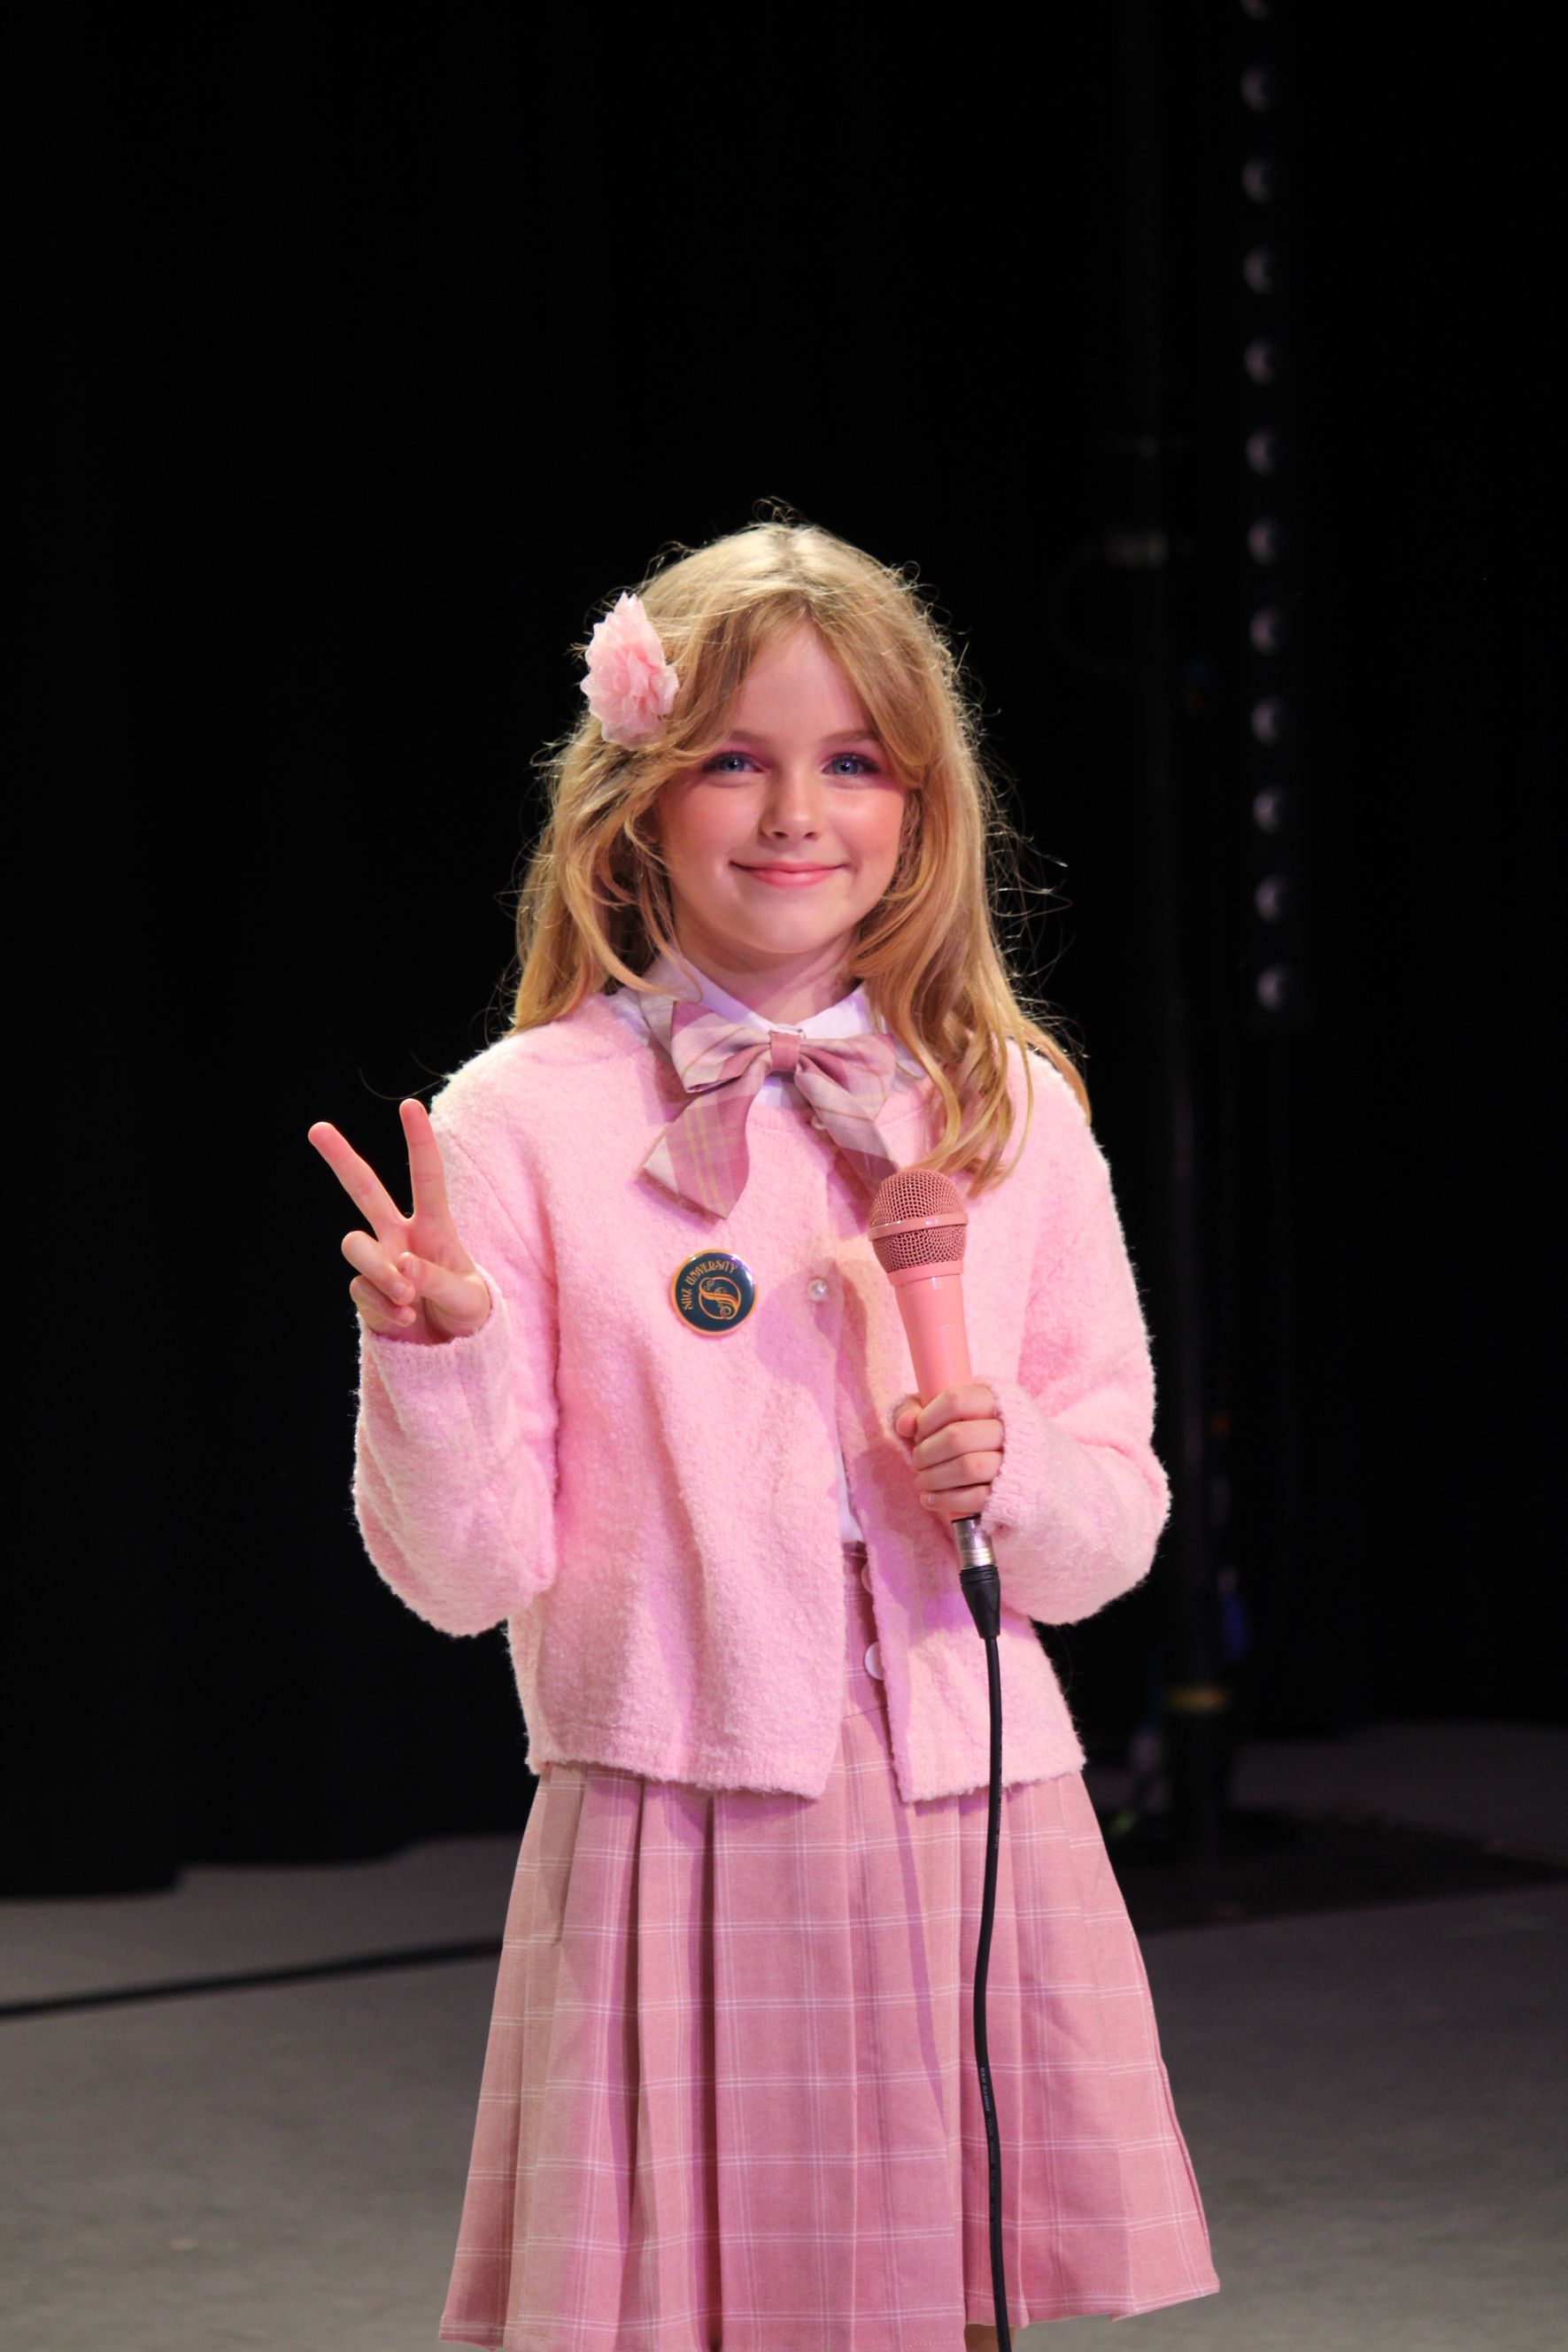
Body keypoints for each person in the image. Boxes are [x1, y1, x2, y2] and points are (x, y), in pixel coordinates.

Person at [308, 514, 1220, 2348]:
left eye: (851, 763)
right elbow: (466, 1570)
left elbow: (1111, 1520)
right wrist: (433, 1359)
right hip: (678, 1809)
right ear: (642, 803)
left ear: (918, 806)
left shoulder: (1008, 1101)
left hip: (968, 1799)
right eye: (736, 758)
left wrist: (1017, 1469)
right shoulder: (525, 1113)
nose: (796, 810)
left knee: (953, 2297)